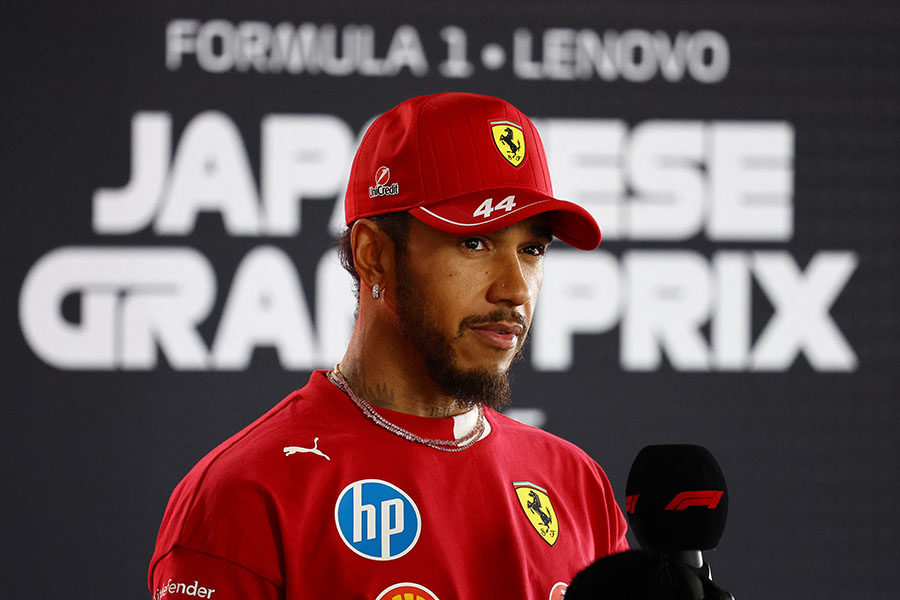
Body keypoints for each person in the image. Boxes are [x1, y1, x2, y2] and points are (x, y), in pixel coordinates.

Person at [148, 92, 629, 600]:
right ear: (373, 254)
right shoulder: (245, 494)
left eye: (531, 249)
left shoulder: (577, 483)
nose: (515, 289)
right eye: (475, 242)